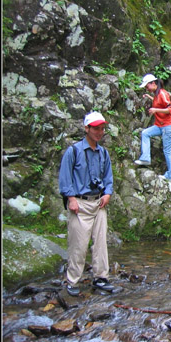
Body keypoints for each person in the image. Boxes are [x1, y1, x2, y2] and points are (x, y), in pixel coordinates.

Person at [59, 112, 114, 296]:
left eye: (102, 128)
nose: (99, 132)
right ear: (86, 129)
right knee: (78, 244)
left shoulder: (103, 153)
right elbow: (65, 177)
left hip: (98, 203)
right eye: (96, 128)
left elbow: (108, 177)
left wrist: (107, 193)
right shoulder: (73, 151)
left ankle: (101, 277)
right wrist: (71, 198)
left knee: (100, 243)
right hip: (79, 204)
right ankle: (72, 280)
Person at [134, 74, 171, 181]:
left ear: (153, 83)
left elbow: (170, 110)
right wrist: (149, 97)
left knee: (167, 151)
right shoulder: (156, 94)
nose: (146, 88)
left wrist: (155, 110)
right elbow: (159, 103)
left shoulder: (162, 93)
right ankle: (145, 158)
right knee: (145, 133)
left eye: (147, 86)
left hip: (168, 126)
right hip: (160, 125)